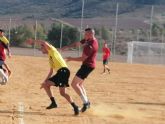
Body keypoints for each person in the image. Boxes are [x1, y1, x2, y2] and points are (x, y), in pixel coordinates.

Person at [27, 39, 79, 115]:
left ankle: (54, 103)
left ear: (45, 47)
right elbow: (51, 72)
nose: (41, 50)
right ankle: (75, 107)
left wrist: (33, 41)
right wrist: (44, 82)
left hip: (63, 71)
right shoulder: (50, 58)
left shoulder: (52, 50)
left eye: (41, 48)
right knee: (62, 93)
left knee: (54, 88)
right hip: (62, 72)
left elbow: (44, 42)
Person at [62, 28, 98, 113]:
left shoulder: (90, 46)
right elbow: (77, 44)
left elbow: (82, 58)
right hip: (89, 65)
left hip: (87, 66)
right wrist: (67, 47)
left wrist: (71, 59)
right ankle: (87, 101)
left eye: (86, 34)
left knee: (74, 84)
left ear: (90, 34)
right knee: (80, 84)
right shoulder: (90, 40)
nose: (84, 36)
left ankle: (86, 102)